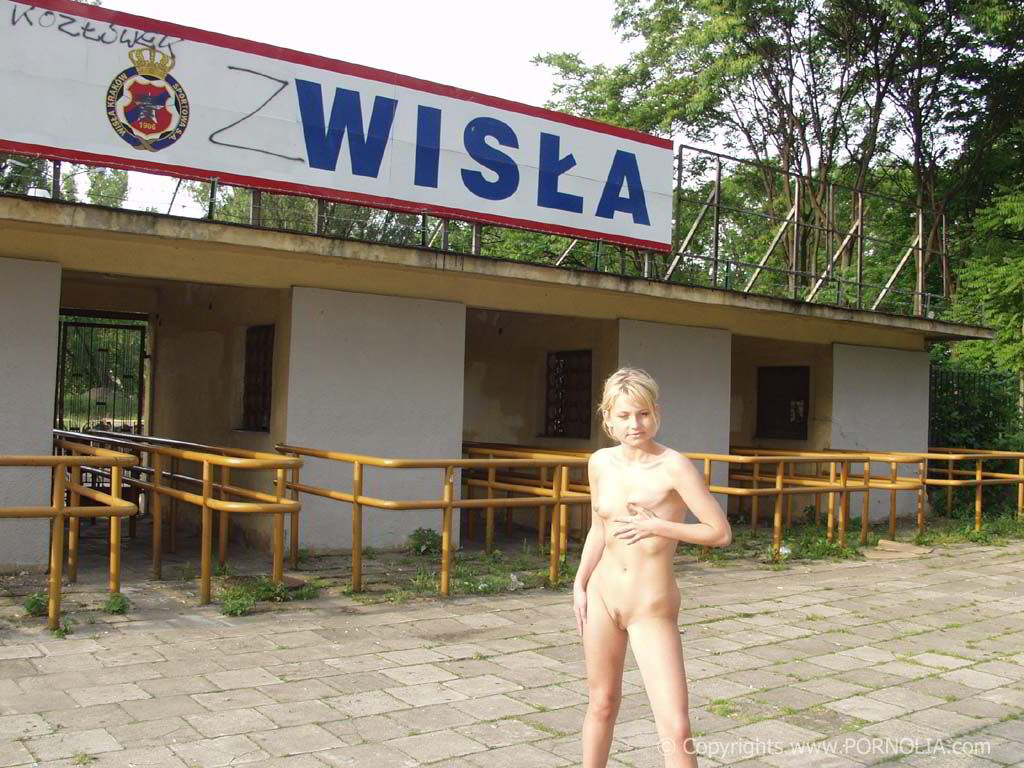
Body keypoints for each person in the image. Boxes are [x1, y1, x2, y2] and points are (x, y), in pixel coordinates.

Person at [574, 367, 732, 768]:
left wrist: (658, 526)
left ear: (656, 413)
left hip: (651, 605)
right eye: (624, 415)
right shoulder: (599, 462)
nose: (635, 424)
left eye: (643, 413)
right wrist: (579, 583)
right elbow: (598, 527)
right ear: (608, 418)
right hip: (602, 596)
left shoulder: (673, 465)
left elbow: (719, 532)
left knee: (675, 726)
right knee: (601, 703)